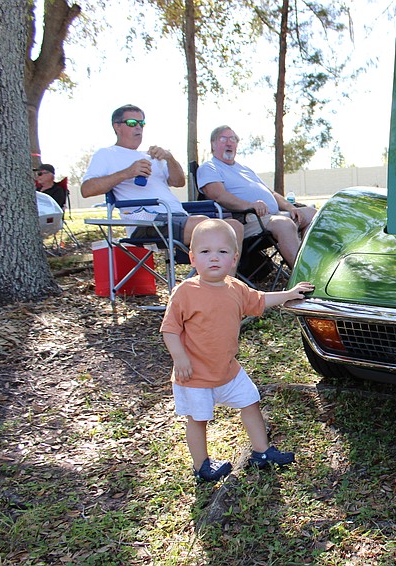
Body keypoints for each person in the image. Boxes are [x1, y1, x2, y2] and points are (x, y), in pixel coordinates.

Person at [160, 218, 315, 483]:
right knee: (198, 420)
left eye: (222, 252)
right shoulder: (185, 292)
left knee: (250, 401)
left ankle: (262, 452)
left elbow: (261, 300)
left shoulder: (236, 288)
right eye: (205, 252)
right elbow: (170, 329)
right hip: (195, 375)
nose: (214, 258)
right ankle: (202, 466)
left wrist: (289, 294)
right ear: (193, 258)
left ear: (234, 259)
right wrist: (180, 357)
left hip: (228, 370)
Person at [80, 104, 244, 257]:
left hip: (177, 216)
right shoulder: (106, 154)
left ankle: (226, 285)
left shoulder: (151, 155)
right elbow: (86, 190)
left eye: (141, 123)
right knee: (206, 226)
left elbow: (179, 181)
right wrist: (127, 173)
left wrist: (169, 158)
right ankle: (205, 285)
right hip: (146, 222)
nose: (138, 127)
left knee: (235, 227)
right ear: (117, 127)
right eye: (131, 123)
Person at [196, 125, 317, 266]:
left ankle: (314, 265)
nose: (229, 143)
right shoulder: (209, 167)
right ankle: (303, 275)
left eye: (233, 139)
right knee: (284, 224)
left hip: (272, 216)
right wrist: (250, 205)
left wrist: (290, 208)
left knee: (313, 215)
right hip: (247, 220)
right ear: (213, 144)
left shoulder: (244, 169)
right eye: (223, 139)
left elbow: (271, 193)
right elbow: (219, 196)